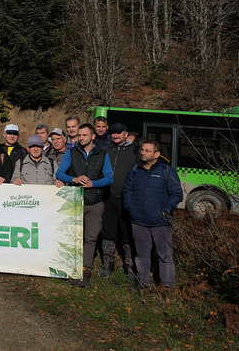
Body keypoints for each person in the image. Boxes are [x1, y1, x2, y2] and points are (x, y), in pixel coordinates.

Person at [56, 123, 114, 288]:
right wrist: (73, 179)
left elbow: (110, 178)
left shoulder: (103, 154)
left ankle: (85, 271)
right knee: (73, 237)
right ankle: (70, 269)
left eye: (84, 135)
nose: (80, 138)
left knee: (90, 238)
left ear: (93, 136)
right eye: (79, 135)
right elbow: (60, 173)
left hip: (95, 202)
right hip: (75, 201)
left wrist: (93, 184)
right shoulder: (71, 152)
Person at [123, 140, 182, 292]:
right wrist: (130, 207)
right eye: (142, 150)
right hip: (138, 221)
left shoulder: (167, 171)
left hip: (160, 221)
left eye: (147, 150)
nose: (143, 152)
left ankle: (167, 285)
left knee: (165, 255)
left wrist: (166, 209)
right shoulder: (135, 170)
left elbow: (176, 194)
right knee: (141, 254)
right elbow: (127, 189)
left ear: (157, 154)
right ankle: (142, 283)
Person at [101, 122, 139, 280]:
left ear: (126, 133)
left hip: (126, 198)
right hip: (107, 197)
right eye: (113, 133)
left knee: (126, 233)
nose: (115, 135)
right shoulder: (106, 150)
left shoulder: (135, 151)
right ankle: (107, 264)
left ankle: (129, 266)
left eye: (119, 133)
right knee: (107, 232)